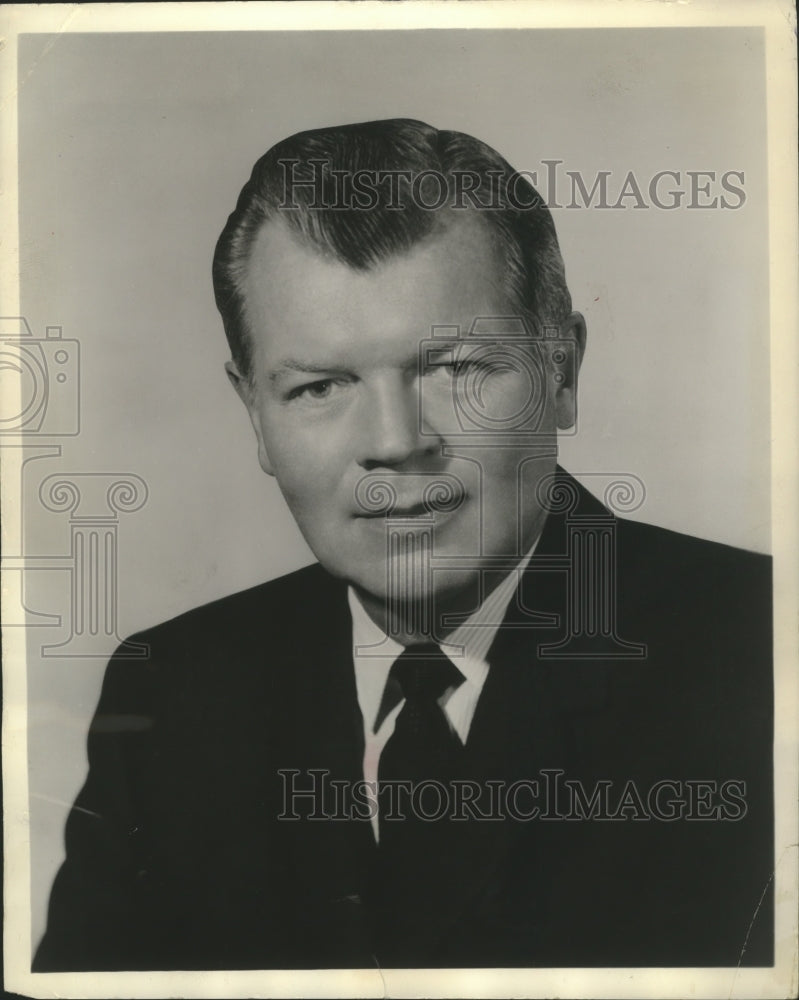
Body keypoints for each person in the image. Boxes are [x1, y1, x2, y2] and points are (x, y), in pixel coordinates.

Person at [33, 119, 773, 971]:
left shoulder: (757, 648)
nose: (392, 441)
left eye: (454, 369)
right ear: (256, 417)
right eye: (318, 385)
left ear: (561, 371)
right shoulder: (174, 690)